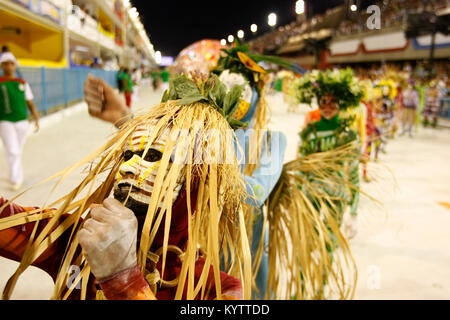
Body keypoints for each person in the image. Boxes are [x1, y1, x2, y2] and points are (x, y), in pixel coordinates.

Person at [0, 73, 253, 300]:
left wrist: (124, 281)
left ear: (194, 180)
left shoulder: (216, 288)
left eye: (153, 157)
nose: (127, 168)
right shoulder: (73, 240)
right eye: (128, 155)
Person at [0, 52, 39, 191]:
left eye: (11, 63)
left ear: (15, 65)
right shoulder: (0, 83)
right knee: (13, 151)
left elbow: (30, 102)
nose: (9, 66)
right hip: (5, 121)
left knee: (17, 150)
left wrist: (36, 118)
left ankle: (13, 174)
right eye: (5, 64)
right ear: (1, 66)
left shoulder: (22, 83)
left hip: (22, 121)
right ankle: (17, 179)